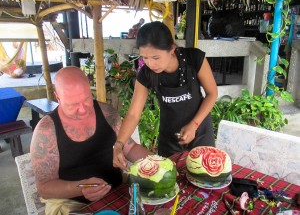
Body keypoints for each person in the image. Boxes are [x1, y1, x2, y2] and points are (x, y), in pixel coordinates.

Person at [30, 66, 152, 215]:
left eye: (87, 99)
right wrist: (80, 188)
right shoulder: (46, 130)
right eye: (73, 105)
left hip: (116, 191)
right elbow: (44, 188)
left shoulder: (107, 113)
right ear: (58, 97)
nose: (82, 109)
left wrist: (158, 163)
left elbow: (130, 148)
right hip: (72, 203)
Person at [113, 21, 218, 171]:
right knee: (170, 181)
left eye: (156, 57)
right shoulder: (146, 74)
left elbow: (212, 94)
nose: (150, 64)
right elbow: (134, 113)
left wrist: (194, 125)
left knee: (205, 176)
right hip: (170, 137)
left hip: (200, 131)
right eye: (145, 58)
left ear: (171, 49)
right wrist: (119, 144)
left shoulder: (194, 59)